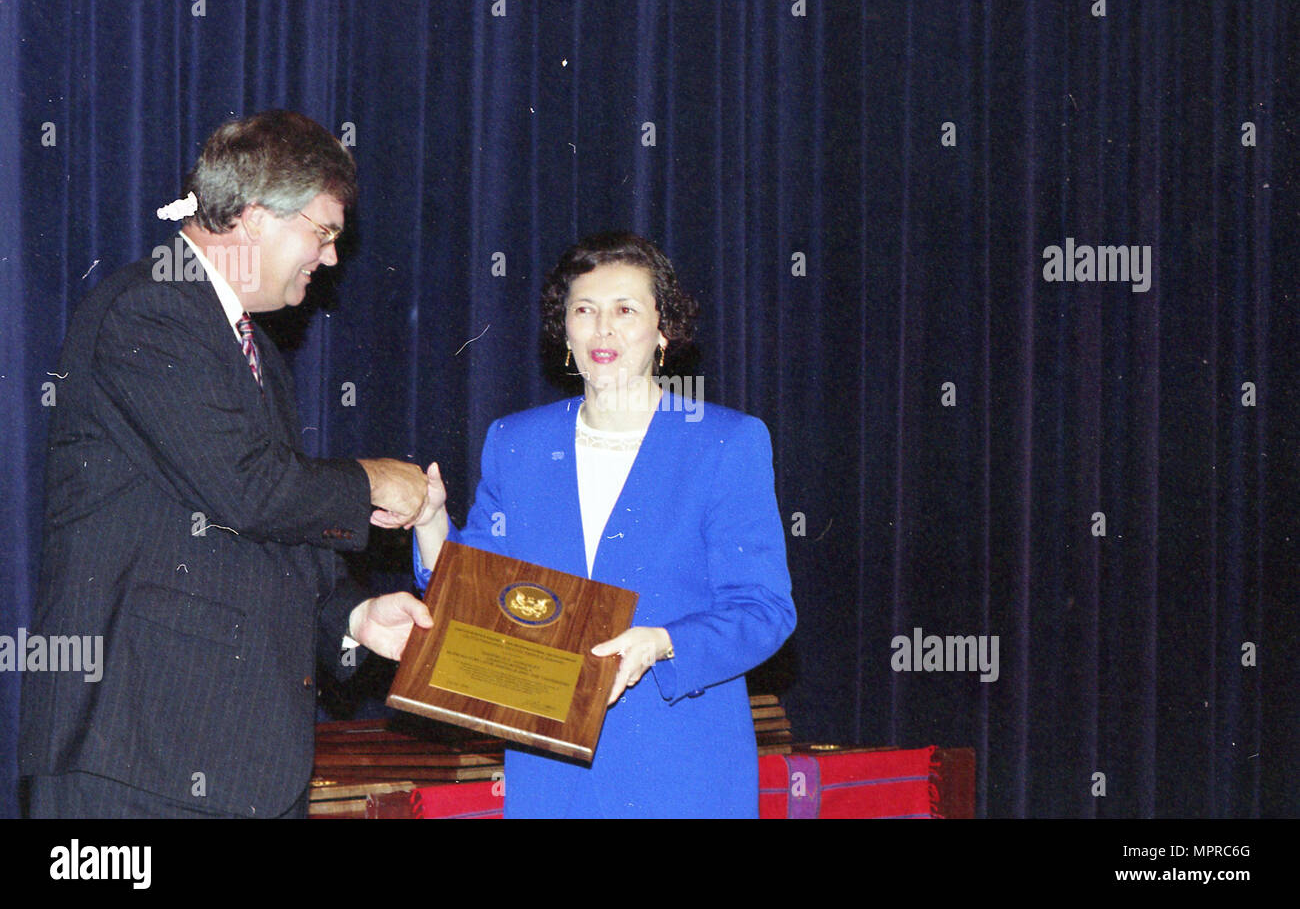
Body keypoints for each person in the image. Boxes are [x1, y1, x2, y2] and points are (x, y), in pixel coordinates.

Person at [19, 110, 433, 818]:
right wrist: (373, 480)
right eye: (322, 233)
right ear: (254, 218)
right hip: (138, 760)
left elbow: (257, 533)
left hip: (228, 761)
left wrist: (353, 615)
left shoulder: (252, 349)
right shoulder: (152, 308)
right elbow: (250, 490)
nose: (330, 258)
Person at [408, 232, 796, 818]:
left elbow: (765, 611)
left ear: (664, 330)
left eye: (625, 311)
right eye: (584, 311)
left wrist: (662, 644)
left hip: (682, 766)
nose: (602, 330)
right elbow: (471, 597)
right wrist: (430, 519)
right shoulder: (517, 443)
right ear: (563, 330)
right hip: (550, 773)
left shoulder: (724, 442)